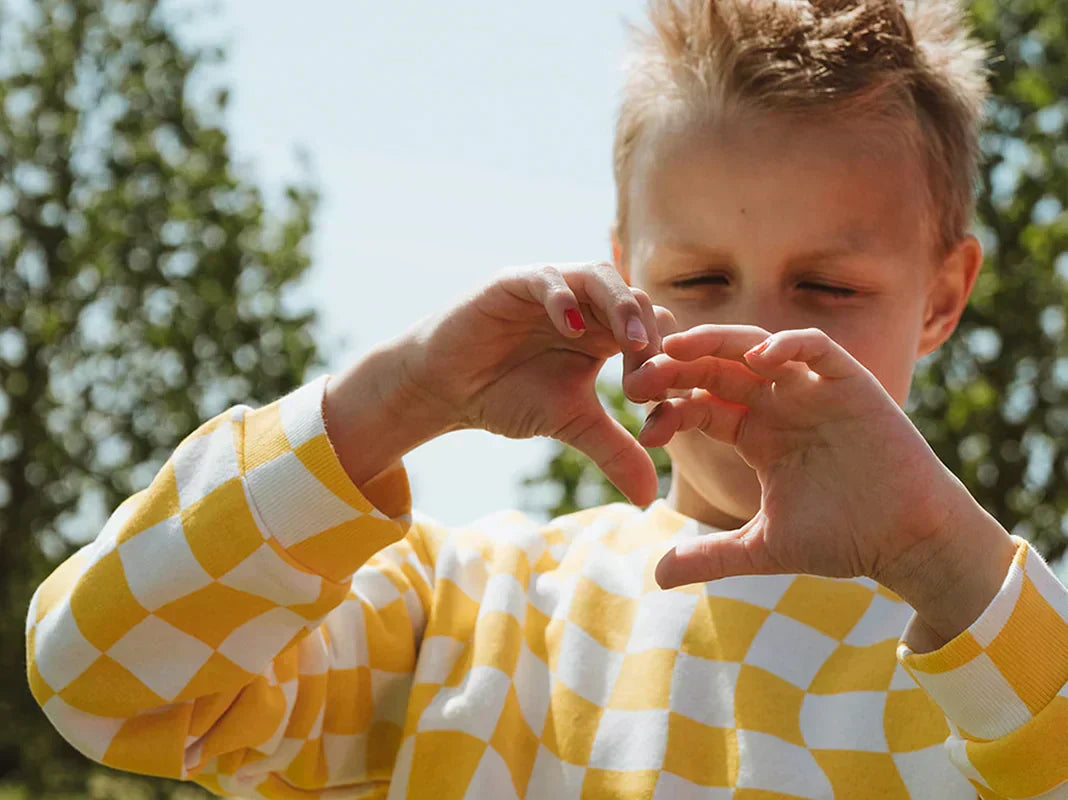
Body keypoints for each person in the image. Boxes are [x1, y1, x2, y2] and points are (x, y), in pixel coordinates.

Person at [26, 1, 1068, 798]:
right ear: (624, 272)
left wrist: (939, 550)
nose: (750, 336)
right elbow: (101, 676)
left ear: (942, 297)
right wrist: (395, 398)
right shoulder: (469, 611)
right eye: (698, 279)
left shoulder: (998, 645)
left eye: (829, 288)